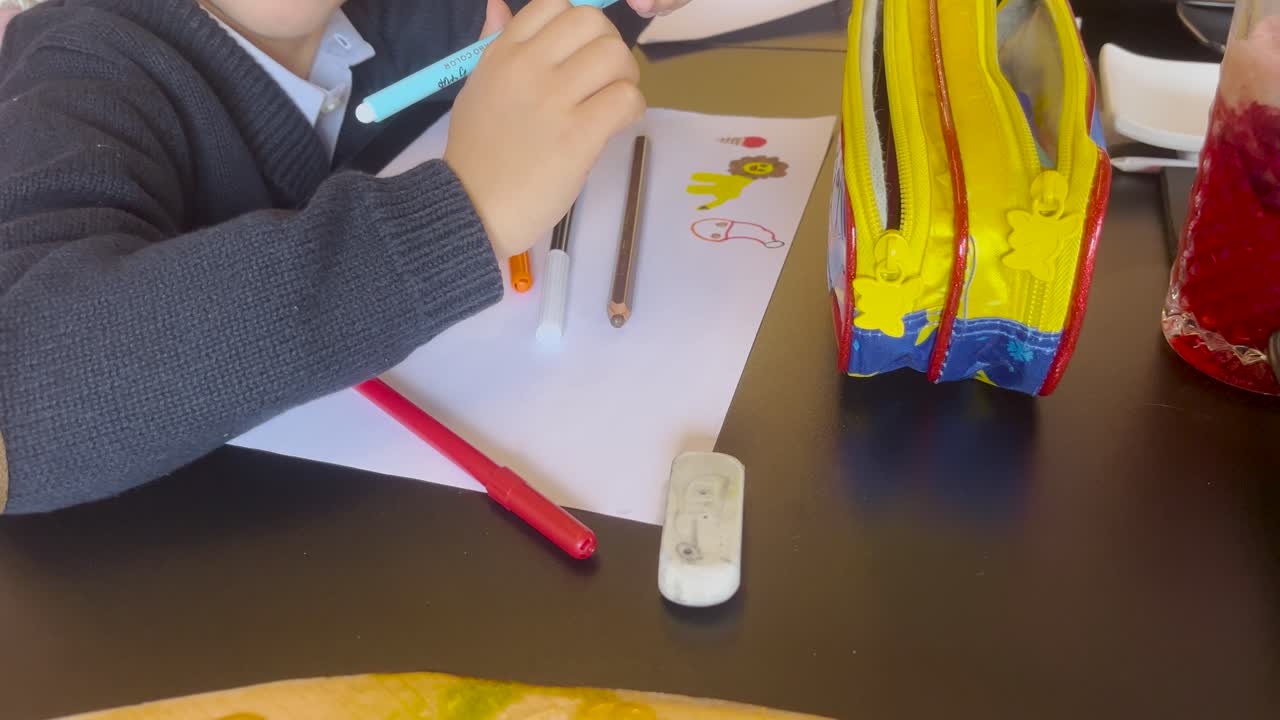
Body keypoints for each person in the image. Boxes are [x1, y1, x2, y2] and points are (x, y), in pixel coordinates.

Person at [0, 0, 693, 514]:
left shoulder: (368, 17)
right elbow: (23, 396)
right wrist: (466, 212)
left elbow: (522, 31)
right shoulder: (77, 66)